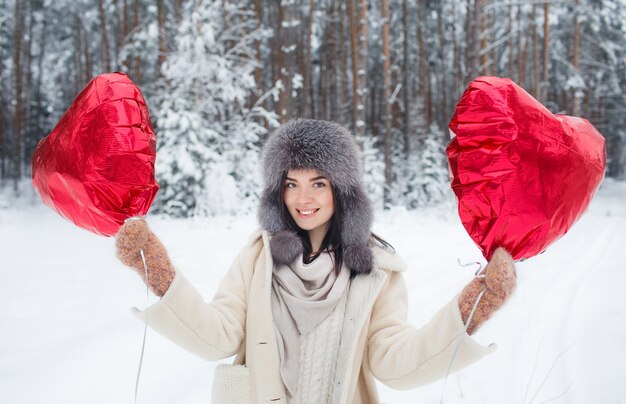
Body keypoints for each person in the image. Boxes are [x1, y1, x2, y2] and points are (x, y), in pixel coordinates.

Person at [115, 119, 516, 404]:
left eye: (318, 184)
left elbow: (393, 363)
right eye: (292, 184)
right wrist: (157, 269)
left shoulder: (375, 270)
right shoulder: (258, 258)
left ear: (342, 191)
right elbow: (218, 336)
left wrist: (471, 310)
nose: (303, 199)